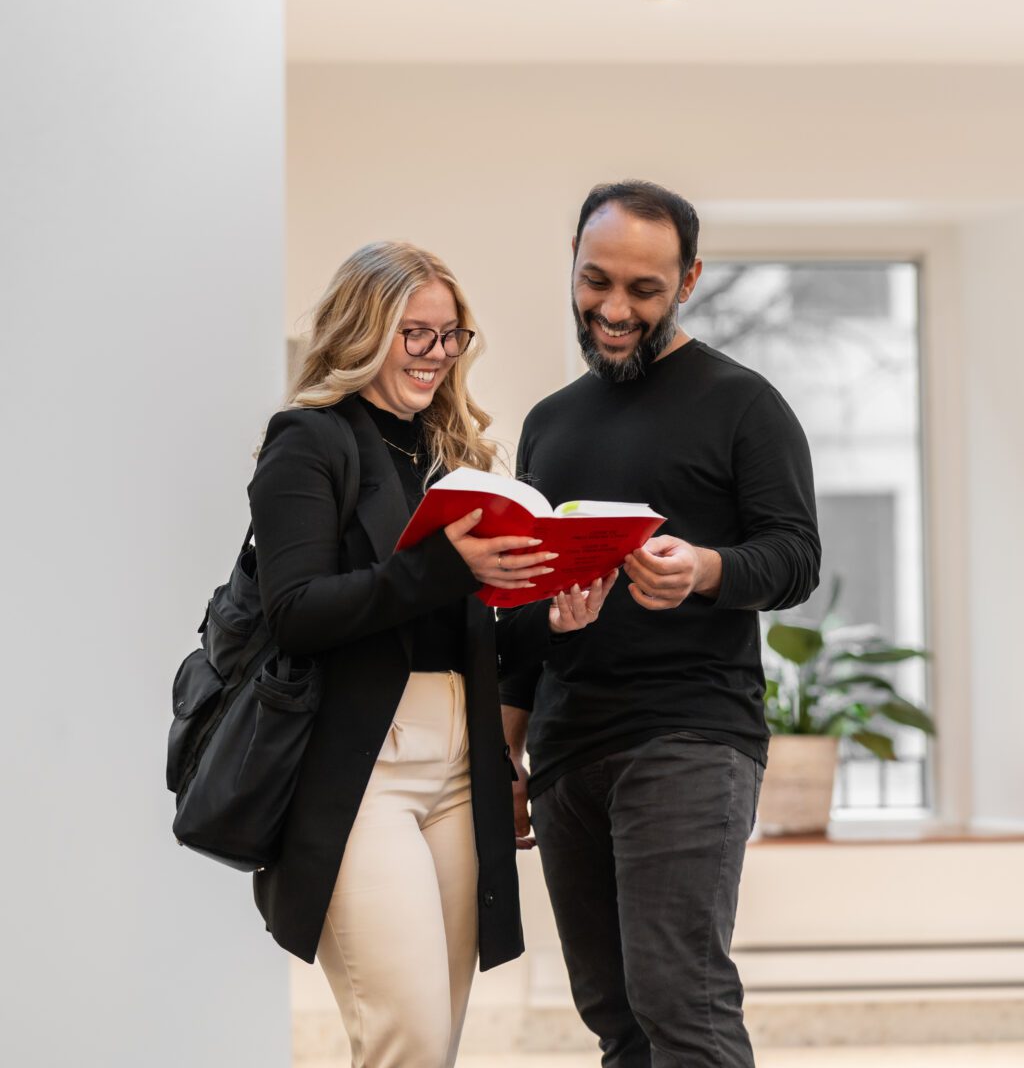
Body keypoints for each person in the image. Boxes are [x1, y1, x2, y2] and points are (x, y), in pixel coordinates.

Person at [247, 240, 615, 1068]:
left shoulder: (453, 458)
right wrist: (444, 567)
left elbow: (470, 635)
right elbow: (296, 612)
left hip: (461, 766)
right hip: (360, 769)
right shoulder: (308, 442)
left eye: (451, 336)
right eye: (415, 333)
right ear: (363, 329)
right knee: (405, 1037)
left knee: (436, 1042)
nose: (437, 353)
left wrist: (555, 621)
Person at [499, 182, 821, 1068]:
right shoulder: (549, 424)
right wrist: (505, 751)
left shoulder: (743, 404)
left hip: (691, 738)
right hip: (568, 750)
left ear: (688, 280)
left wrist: (704, 568)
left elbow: (795, 557)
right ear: (572, 262)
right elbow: (524, 613)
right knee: (617, 1020)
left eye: (644, 289)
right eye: (596, 281)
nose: (614, 309)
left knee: (681, 1001)